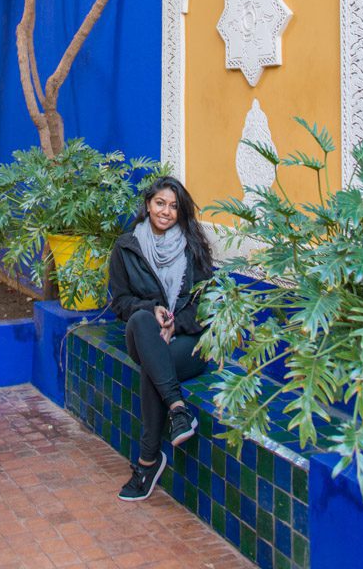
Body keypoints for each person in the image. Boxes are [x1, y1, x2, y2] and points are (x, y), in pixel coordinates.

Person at [109, 175, 213, 501]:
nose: (166, 211)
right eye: (160, 203)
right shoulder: (126, 248)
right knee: (141, 319)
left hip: (187, 341)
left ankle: (147, 462)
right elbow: (121, 303)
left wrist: (173, 326)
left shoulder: (193, 248)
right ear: (148, 205)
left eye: (173, 206)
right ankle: (177, 409)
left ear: (180, 212)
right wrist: (153, 310)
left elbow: (202, 307)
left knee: (154, 369)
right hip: (143, 333)